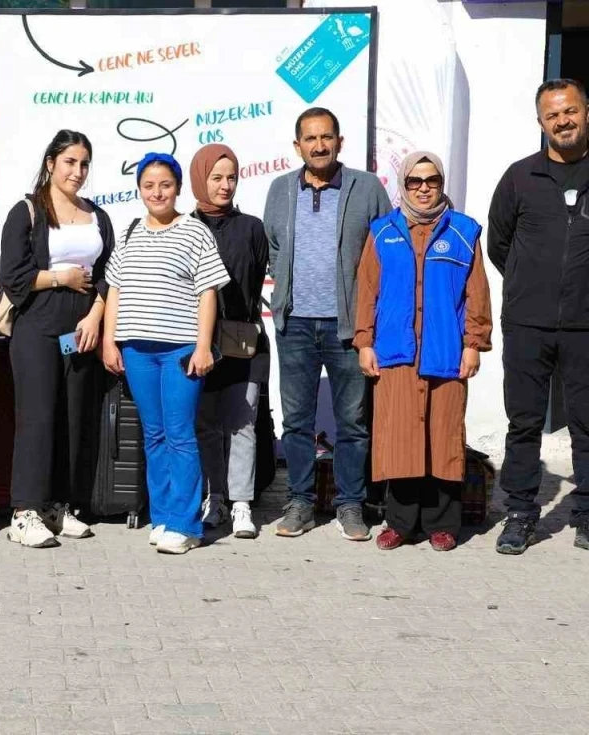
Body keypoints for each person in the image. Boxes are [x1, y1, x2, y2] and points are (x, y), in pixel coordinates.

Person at [488, 79, 589, 560]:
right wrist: (530, 283)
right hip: (528, 323)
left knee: (588, 425)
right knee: (523, 423)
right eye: (552, 114)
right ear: (541, 122)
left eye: (570, 111)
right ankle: (520, 514)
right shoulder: (520, 177)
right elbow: (499, 243)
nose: (563, 121)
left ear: (587, 113)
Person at [262, 107, 391, 542]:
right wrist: (287, 290)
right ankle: (300, 502)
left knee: (352, 422)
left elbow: (384, 247)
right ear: (297, 145)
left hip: (348, 327)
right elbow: (274, 246)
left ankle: (350, 504)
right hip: (295, 324)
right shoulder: (280, 189)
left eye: (326, 137)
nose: (319, 146)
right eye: (310, 139)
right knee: (296, 421)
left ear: (339, 141)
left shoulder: (366, 187)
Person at [354, 151, 493, 552]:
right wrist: (364, 342)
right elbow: (367, 291)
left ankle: (442, 524)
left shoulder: (463, 232)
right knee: (400, 439)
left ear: (442, 184)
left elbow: (477, 294)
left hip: (444, 353)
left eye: (432, 180)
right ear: (404, 185)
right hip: (395, 353)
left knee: (442, 438)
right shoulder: (382, 232)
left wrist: (473, 344)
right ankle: (400, 523)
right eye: (415, 181)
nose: (424, 188)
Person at [101, 152, 229, 555]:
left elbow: (207, 292)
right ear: (139, 189)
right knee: (153, 435)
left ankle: (186, 525)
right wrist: (110, 340)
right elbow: (115, 289)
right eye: (149, 185)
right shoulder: (130, 232)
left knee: (180, 434)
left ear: (178, 188)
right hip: (137, 350)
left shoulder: (195, 232)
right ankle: (162, 516)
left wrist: (203, 346)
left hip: (180, 350)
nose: (157, 193)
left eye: (165, 185)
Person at [0, 130, 116, 548]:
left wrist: (95, 318)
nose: (77, 171)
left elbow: (109, 275)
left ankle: (57, 506)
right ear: (51, 163)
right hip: (38, 329)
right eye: (69, 162)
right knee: (38, 417)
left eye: (84, 164)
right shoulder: (27, 211)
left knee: (73, 417)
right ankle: (24, 511)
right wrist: (59, 277)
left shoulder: (98, 215)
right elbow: (12, 276)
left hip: (78, 331)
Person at [188, 143, 269, 539]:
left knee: (242, 423)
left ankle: (241, 503)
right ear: (199, 179)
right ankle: (215, 497)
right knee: (204, 425)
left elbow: (256, 280)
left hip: (242, 342)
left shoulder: (252, 227)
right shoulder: (183, 227)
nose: (225, 185)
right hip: (196, 342)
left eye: (231, 177)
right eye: (216, 177)